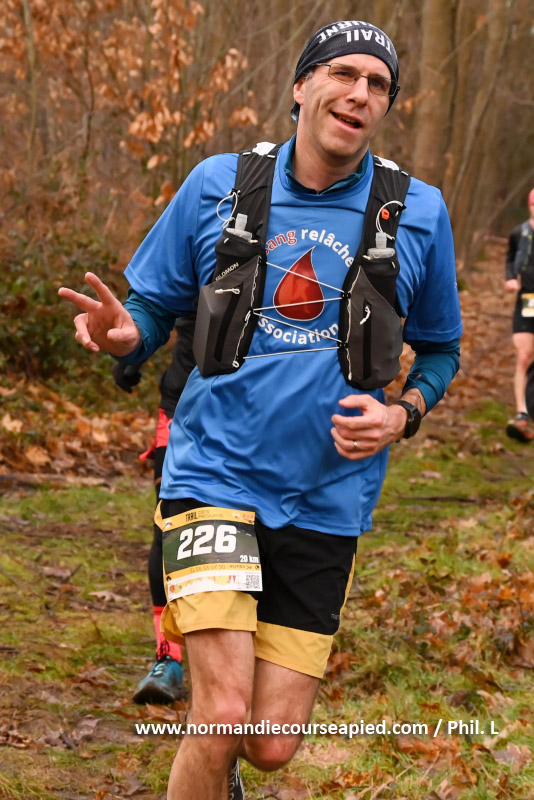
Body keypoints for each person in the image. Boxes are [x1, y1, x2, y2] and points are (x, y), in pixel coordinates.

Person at [59, 20, 462, 800]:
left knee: (270, 743)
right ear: (302, 86)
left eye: (378, 84)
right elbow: (151, 307)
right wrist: (125, 334)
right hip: (214, 472)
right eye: (343, 73)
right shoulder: (220, 183)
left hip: (327, 497)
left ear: (386, 106)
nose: (359, 93)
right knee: (220, 714)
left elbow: (442, 349)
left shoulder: (417, 212)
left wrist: (403, 414)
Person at [112, 312, 196, 704]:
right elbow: (160, 302)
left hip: (266, 415)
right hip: (181, 407)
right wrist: (133, 352)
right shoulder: (200, 264)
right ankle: (169, 659)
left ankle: (258, 660)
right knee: (170, 530)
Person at [504, 188, 534, 442]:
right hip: (529, 299)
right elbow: (510, 258)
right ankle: (522, 413)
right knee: (524, 356)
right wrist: (511, 278)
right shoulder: (520, 232)